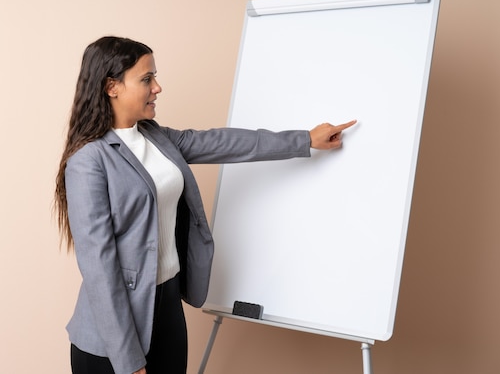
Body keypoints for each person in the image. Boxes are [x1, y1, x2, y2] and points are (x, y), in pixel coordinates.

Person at [54, 36, 356, 374]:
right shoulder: (88, 161)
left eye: (155, 76)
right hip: (114, 336)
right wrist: (127, 360)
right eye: (146, 79)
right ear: (112, 87)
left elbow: (222, 142)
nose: (158, 87)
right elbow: (99, 270)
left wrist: (304, 139)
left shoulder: (156, 137)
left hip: (167, 309)